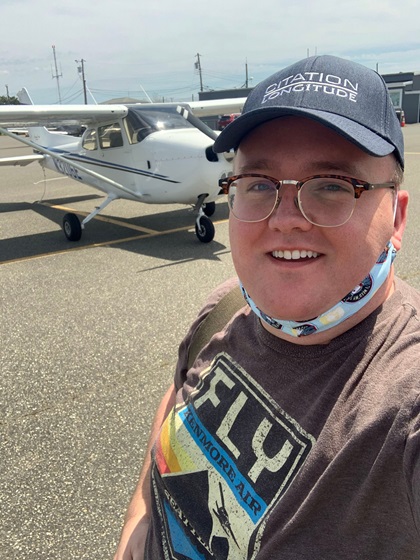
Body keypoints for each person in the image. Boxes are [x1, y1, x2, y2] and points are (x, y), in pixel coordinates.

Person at [114, 55, 419, 560]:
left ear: (398, 217)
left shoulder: (402, 400)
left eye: (331, 186)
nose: (286, 220)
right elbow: (175, 405)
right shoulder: (225, 306)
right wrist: (136, 527)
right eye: (259, 185)